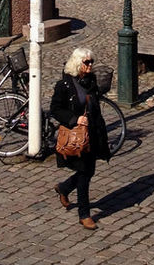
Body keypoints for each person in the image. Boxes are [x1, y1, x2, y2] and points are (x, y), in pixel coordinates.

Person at [51, 48, 111, 230]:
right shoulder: (64, 85)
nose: (90, 65)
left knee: (89, 171)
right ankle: (84, 214)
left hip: (92, 133)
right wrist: (74, 119)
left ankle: (64, 188)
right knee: (85, 173)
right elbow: (55, 109)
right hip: (76, 136)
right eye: (87, 62)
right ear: (78, 63)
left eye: (92, 61)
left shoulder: (91, 80)